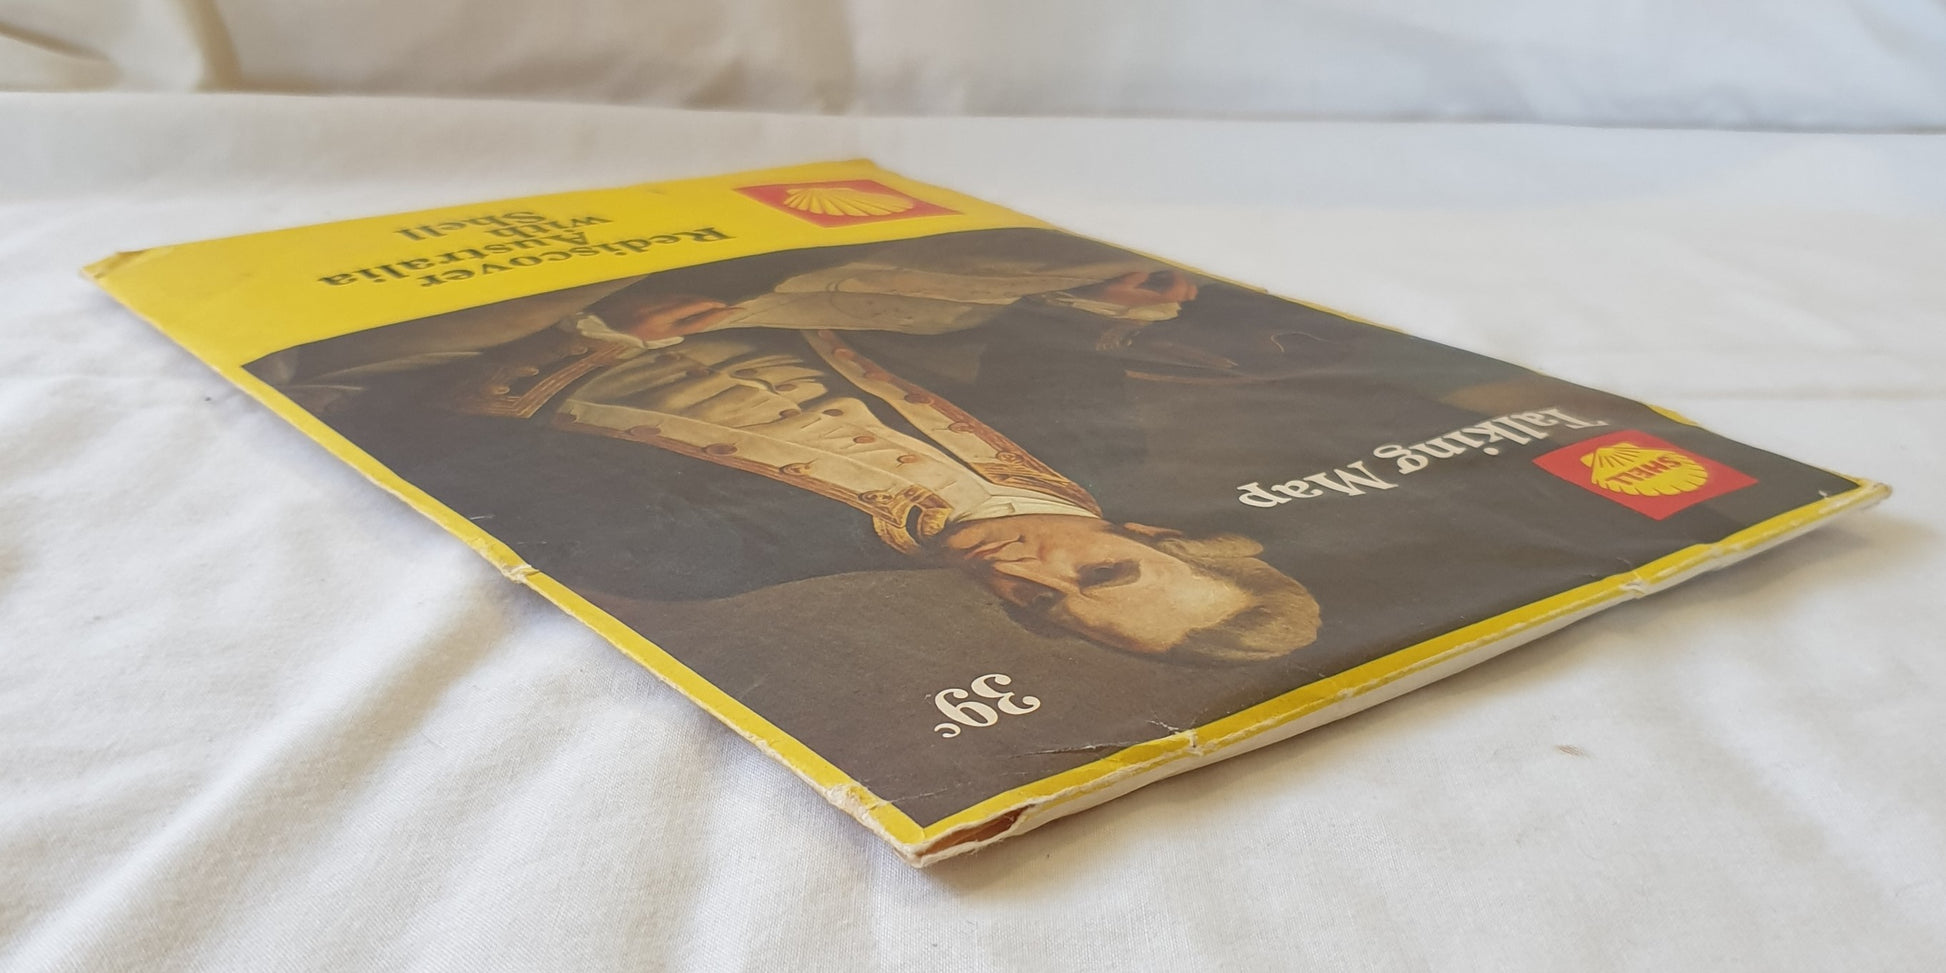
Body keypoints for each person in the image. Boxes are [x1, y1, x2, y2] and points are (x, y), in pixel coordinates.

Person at [258, 233, 1321, 664]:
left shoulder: (702, 564)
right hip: (787, 302)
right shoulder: (1096, 464)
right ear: (1154, 532)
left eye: (1041, 607)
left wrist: (601, 338)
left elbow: (438, 447)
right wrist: (1117, 302)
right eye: (1100, 572)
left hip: (535, 342)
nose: (1027, 575)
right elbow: (1064, 357)